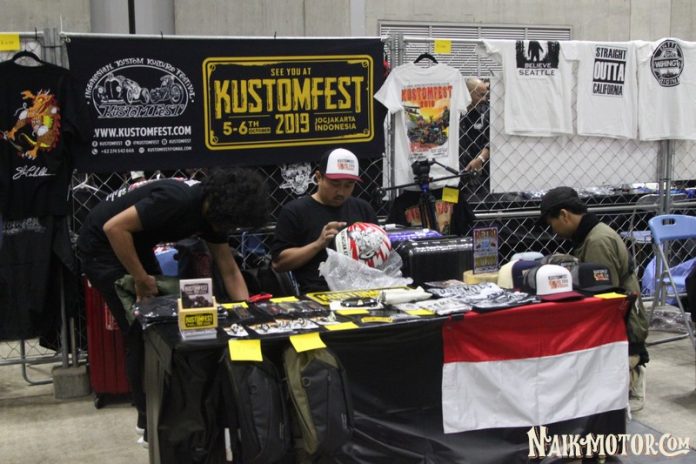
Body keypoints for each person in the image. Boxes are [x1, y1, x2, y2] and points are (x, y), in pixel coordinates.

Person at [77, 168, 269, 446]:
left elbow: (228, 268)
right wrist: (141, 279)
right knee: (140, 330)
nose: (230, 229)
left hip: (136, 242)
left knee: (162, 326)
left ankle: (167, 408)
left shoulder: (212, 212)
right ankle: (147, 422)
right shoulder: (178, 200)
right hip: (103, 247)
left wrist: (245, 310)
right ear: (222, 209)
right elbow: (113, 228)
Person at [539, 186, 649, 412]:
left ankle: (632, 373)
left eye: (552, 224)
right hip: (622, 318)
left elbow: (606, 301)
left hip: (624, 327)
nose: (554, 231)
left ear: (564, 215)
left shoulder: (597, 241)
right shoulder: (590, 235)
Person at [271, 148, 378, 293]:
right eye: (335, 184)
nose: (341, 191)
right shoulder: (295, 211)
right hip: (317, 293)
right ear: (318, 177)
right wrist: (318, 244)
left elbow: (380, 259)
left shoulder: (363, 209)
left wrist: (369, 243)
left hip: (363, 289)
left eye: (348, 185)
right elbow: (278, 264)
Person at [460, 77, 491, 197]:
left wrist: (480, 159)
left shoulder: (487, 112)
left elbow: (493, 140)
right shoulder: (454, 114)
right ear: (467, 93)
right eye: (480, 95)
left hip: (481, 175)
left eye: (485, 95)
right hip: (456, 173)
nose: (484, 99)